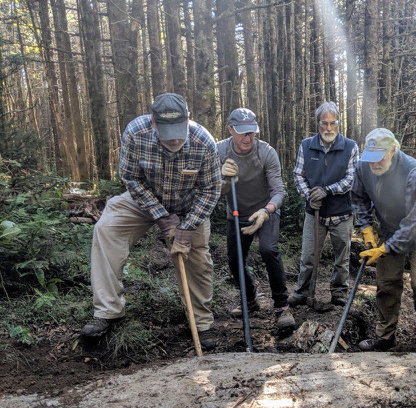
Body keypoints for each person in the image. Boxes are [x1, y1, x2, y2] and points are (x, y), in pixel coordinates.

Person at [80, 93, 221, 350]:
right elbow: (131, 178)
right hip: (144, 200)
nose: (175, 139)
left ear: (188, 120)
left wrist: (187, 227)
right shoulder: (136, 132)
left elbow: (210, 190)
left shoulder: (204, 142)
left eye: (179, 131)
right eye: (167, 132)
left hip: (189, 205)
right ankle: (108, 311)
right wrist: (161, 215)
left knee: (197, 258)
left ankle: (200, 323)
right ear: (154, 124)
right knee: (107, 228)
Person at [352, 128, 416, 351]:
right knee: (386, 283)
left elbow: (413, 223)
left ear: (393, 150)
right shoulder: (363, 166)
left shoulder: (413, 172)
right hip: (389, 228)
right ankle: (385, 337)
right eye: (370, 158)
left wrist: (384, 249)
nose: (374, 164)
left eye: (379, 158)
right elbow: (358, 198)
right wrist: (366, 228)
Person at [217, 108, 296, 334]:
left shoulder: (266, 152)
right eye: (242, 133)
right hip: (236, 214)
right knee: (235, 261)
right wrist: (222, 180)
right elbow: (211, 190)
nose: (247, 138)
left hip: (265, 210)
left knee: (268, 249)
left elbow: (279, 191)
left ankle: (282, 307)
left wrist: (266, 211)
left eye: (251, 132)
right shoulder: (219, 151)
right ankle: (250, 299)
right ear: (230, 130)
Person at [290, 101, 359, 310]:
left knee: (342, 256)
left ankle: (338, 292)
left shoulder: (350, 147)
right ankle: (303, 292)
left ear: (338, 123)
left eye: (332, 123)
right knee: (309, 256)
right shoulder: (306, 145)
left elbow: (352, 178)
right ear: (318, 123)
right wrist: (308, 194)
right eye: (324, 124)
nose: (328, 128)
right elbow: (298, 175)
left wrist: (327, 190)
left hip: (342, 214)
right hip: (315, 213)